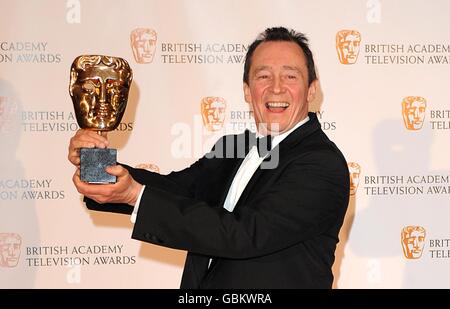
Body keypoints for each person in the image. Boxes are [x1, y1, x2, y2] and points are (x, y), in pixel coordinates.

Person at [68, 27, 350, 288]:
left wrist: (133, 195)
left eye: (290, 76)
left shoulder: (321, 163)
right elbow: (177, 190)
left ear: (311, 89)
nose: (276, 87)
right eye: (263, 76)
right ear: (247, 90)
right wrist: (98, 165)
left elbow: (244, 234)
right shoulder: (236, 146)